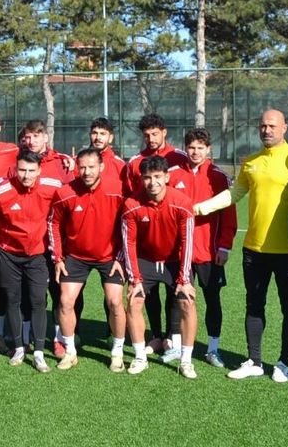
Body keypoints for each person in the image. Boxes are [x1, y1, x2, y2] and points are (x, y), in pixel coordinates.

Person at [195, 109, 288, 383]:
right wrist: (199, 208)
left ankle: (284, 363)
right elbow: (234, 194)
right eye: (262, 126)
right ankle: (254, 361)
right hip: (254, 250)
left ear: (285, 127)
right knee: (254, 305)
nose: (266, 130)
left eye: (272, 126)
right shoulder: (251, 162)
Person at [50, 147, 128, 372]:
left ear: (101, 167)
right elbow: (53, 224)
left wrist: (120, 257)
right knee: (65, 302)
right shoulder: (65, 192)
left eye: (91, 167)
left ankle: (117, 352)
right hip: (76, 257)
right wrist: (58, 258)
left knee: (115, 302)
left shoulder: (118, 190)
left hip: (110, 257)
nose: (87, 172)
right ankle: (70, 352)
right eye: (82, 167)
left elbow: (127, 225)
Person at [120, 155, 198, 379]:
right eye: (147, 178)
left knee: (187, 302)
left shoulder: (182, 202)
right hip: (146, 260)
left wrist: (184, 279)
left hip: (174, 261)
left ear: (166, 177)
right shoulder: (131, 204)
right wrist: (135, 279)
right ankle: (140, 358)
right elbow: (129, 243)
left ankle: (186, 361)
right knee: (134, 301)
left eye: (157, 177)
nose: (152, 182)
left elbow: (187, 242)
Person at [123, 114, 192, 354]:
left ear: (164, 132)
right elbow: (130, 197)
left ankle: (173, 336)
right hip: (146, 236)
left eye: (155, 134)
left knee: (176, 294)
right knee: (149, 294)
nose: (151, 139)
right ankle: (155, 335)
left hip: (174, 232)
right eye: (146, 135)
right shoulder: (135, 162)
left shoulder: (180, 158)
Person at [0, 150, 60, 372]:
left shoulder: (52, 188)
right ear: (15, 169)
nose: (26, 175)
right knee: (12, 299)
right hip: (8, 254)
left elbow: (72, 193)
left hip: (38, 255)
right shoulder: (0, 192)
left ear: (39, 170)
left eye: (31, 170)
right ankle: (19, 348)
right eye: (22, 170)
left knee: (38, 301)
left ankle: (39, 353)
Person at [168, 128, 234, 368]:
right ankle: (177, 347)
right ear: (185, 148)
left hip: (209, 252)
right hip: (180, 252)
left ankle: (213, 349)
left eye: (200, 148)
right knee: (179, 298)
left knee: (212, 298)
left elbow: (229, 215)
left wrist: (224, 246)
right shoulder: (173, 175)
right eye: (191, 147)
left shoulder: (218, 177)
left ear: (208, 149)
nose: (195, 152)